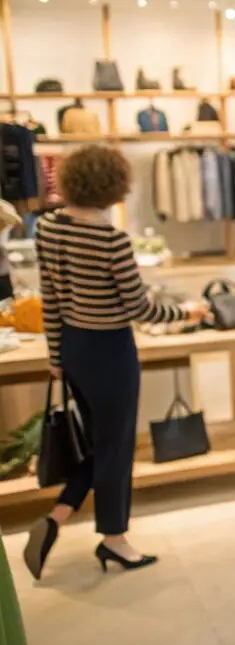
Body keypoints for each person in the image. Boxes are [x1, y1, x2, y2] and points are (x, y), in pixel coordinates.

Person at [23, 145, 208, 580]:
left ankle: (57, 517)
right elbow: (140, 309)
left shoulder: (48, 228)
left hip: (73, 347)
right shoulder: (111, 240)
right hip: (110, 351)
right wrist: (188, 312)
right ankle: (113, 538)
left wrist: (56, 356)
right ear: (113, 185)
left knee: (101, 443)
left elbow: (51, 297)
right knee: (116, 446)